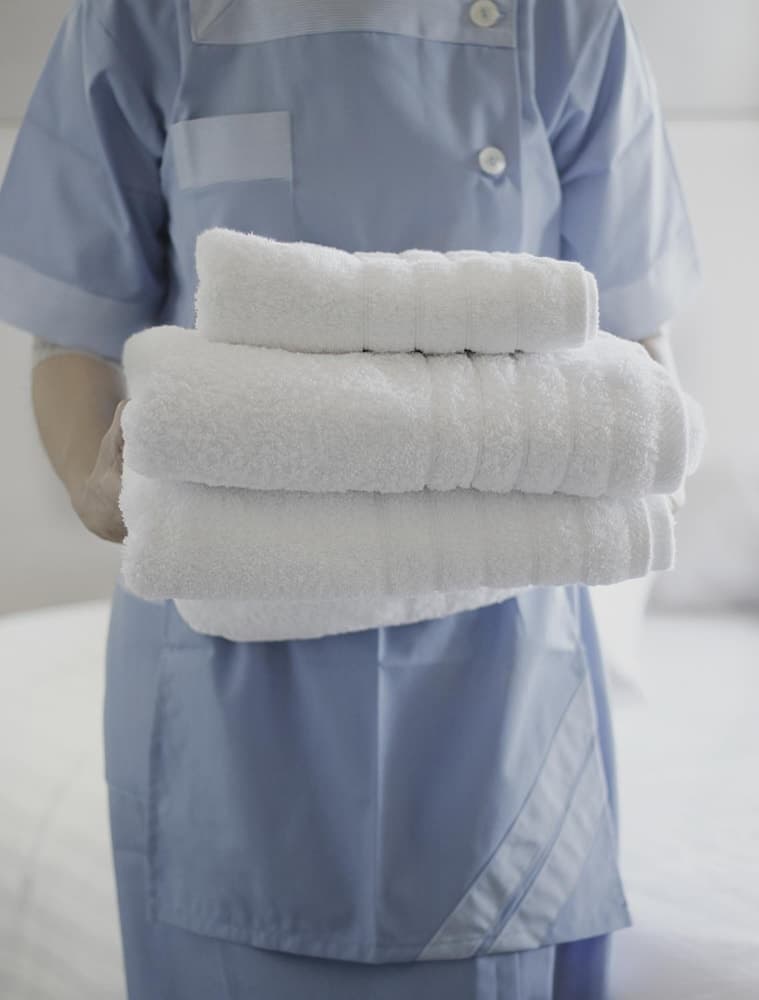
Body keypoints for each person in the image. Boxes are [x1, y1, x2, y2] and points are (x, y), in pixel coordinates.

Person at [0, 1, 699, 997]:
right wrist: (96, 484)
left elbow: (632, 346)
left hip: (500, 694)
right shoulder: (140, 14)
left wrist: (623, 445)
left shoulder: (567, 18)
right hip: (227, 683)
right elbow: (71, 333)